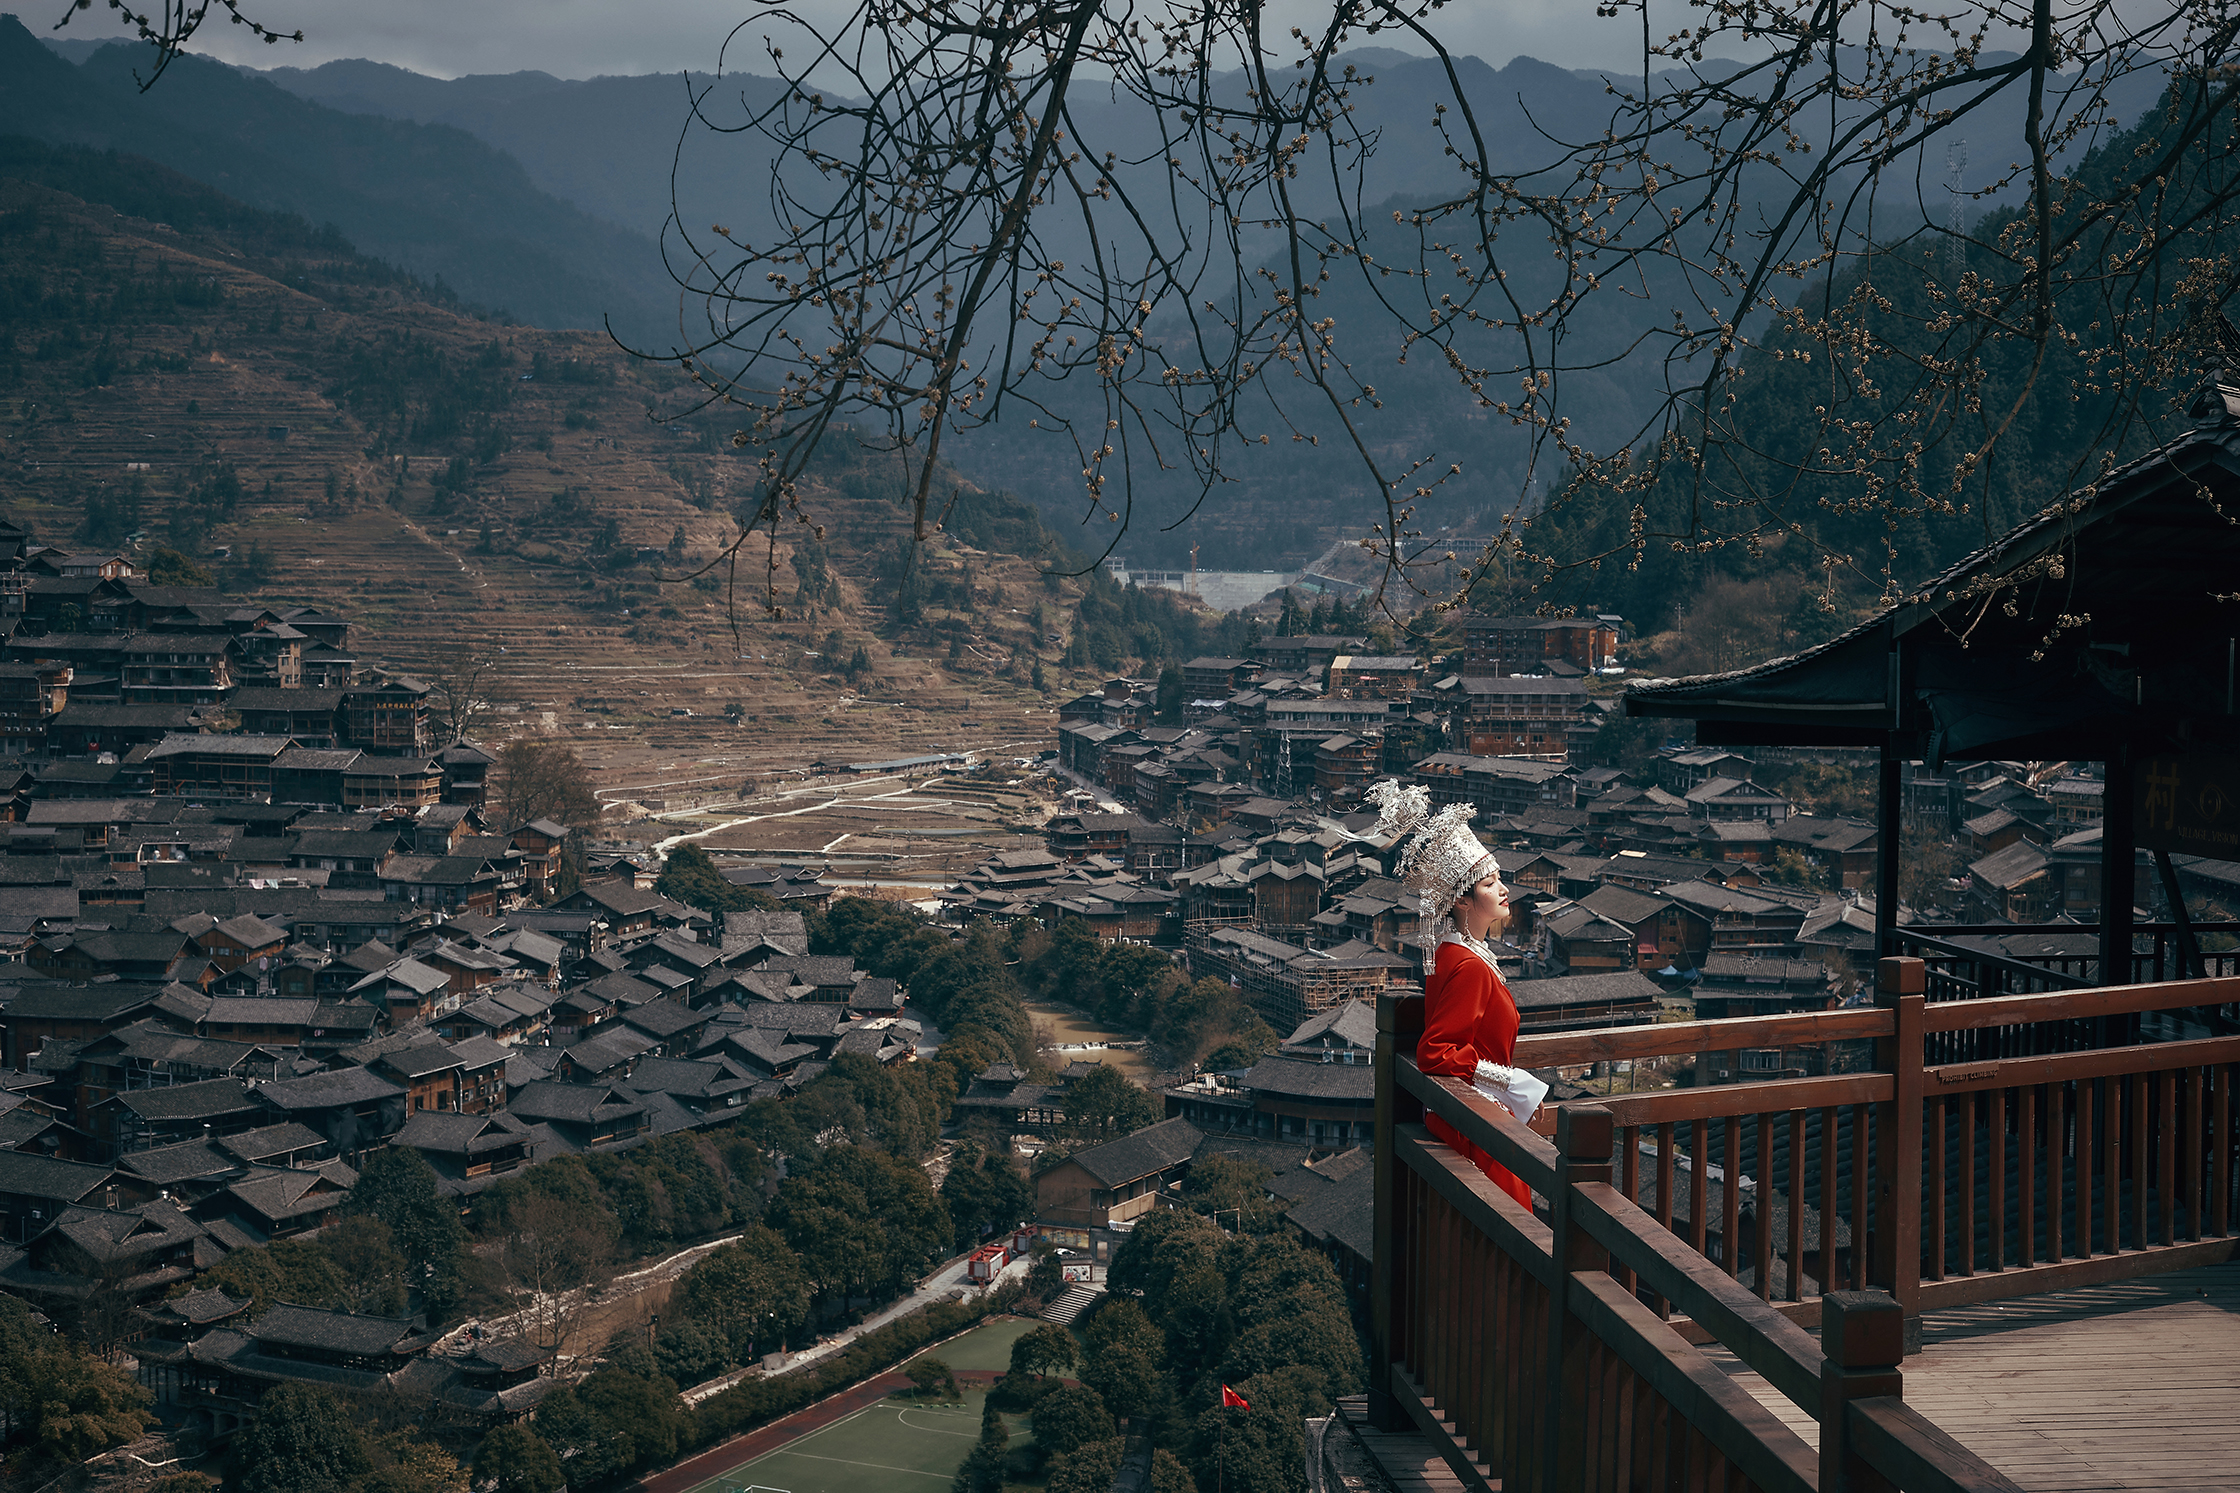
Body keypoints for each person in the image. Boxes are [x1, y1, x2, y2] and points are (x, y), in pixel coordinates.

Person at [1362, 781, 1537, 1211]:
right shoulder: (1471, 966)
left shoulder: (1452, 953)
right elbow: (1435, 1051)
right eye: (1490, 882)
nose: (1504, 889)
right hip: (1478, 1121)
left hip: (1469, 1116)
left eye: (1500, 879)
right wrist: (1510, 1081)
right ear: (1461, 899)